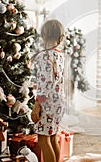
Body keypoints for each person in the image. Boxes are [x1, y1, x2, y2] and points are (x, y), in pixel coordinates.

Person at [30, 19, 66, 162]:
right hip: (58, 102)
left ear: (43, 36)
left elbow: (46, 84)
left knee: (43, 140)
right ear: (61, 38)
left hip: (47, 103)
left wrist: (37, 105)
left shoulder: (44, 56)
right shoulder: (60, 55)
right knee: (53, 137)